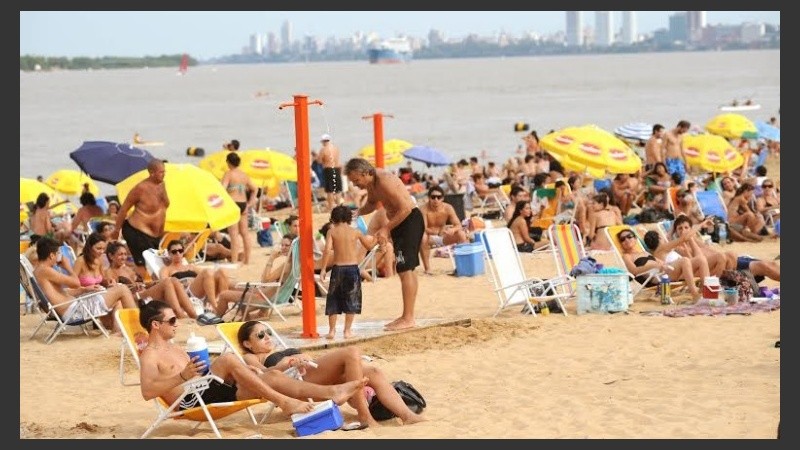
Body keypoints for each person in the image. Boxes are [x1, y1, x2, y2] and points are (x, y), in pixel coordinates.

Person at [138, 300, 368, 416]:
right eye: (171, 321)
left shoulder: (175, 348)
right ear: (155, 325)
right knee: (227, 358)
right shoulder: (150, 355)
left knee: (273, 376)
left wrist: (250, 372)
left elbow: (199, 373)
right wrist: (182, 375)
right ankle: (284, 402)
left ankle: (331, 393)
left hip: (206, 389)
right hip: (189, 401)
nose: (177, 324)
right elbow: (148, 392)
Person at [237, 320, 425, 427]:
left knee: (373, 371)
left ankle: (406, 415)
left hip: (311, 371)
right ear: (247, 344)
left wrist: (303, 357)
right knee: (351, 352)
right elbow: (263, 378)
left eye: (268, 332)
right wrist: (285, 364)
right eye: (260, 336)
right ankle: (364, 415)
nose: (267, 337)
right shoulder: (251, 358)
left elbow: (310, 358)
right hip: (296, 381)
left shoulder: (281, 349)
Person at [344, 158, 424, 331]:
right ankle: (407, 316)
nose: (356, 185)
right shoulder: (372, 184)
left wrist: (386, 229)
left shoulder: (385, 180)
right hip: (399, 222)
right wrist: (354, 213)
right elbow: (372, 204)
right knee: (406, 269)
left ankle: (408, 318)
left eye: (357, 180)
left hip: (409, 220)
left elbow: (406, 209)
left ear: (366, 173)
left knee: (405, 269)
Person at [33, 236, 137, 331]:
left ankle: (117, 330)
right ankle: (137, 325)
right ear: (52, 255)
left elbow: (59, 293)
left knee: (117, 292)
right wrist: (67, 266)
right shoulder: (46, 271)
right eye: (58, 254)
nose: (59, 257)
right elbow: (75, 283)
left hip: (74, 307)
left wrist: (85, 289)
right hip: (75, 312)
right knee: (122, 289)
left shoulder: (40, 271)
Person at [319, 205, 375, 339]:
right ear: (349, 218)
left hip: (338, 268)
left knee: (333, 299)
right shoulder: (355, 232)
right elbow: (369, 247)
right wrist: (378, 239)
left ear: (333, 218)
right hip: (352, 269)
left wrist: (323, 269)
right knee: (352, 299)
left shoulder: (331, 232)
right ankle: (347, 331)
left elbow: (327, 250)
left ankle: (332, 331)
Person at [104, 240, 199, 318]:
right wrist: (133, 286)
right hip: (134, 299)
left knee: (172, 280)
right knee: (167, 282)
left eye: (125, 254)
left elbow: (143, 283)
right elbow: (115, 291)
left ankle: (193, 314)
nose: (124, 257)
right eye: (120, 254)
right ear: (111, 256)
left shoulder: (128, 269)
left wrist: (152, 283)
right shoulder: (109, 272)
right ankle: (179, 314)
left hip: (143, 293)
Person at [113, 159, 169, 281]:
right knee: (145, 266)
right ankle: (144, 291)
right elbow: (123, 209)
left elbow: (162, 207)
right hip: (136, 231)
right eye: (161, 172)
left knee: (156, 266)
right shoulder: (140, 188)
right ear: (151, 173)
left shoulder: (162, 185)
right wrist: (116, 230)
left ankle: (140, 282)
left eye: (164, 172)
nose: (164, 174)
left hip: (155, 236)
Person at [615, 228, 701, 301]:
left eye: (629, 236)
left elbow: (661, 263)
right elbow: (634, 271)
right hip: (654, 278)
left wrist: (662, 265)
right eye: (623, 239)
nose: (626, 240)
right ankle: (695, 295)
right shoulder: (627, 256)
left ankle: (704, 289)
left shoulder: (645, 252)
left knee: (698, 260)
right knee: (684, 260)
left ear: (635, 239)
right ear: (622, 244)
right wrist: (653, 266)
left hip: (663, 273)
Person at [159, 239, 236, 319]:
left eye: (180, 251)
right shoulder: (166, 269)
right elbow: (165, 283)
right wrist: (182, 282)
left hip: (203, 290)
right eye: (174, 252)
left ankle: (222, 303)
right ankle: (215, 307)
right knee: (206, 272)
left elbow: (211, 275)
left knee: (221, 271)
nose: (178, 254)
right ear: (169, 254)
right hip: (186, 293)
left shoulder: (190, 266)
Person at [419, 185, 468, 274]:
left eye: (439, 197)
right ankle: (427, 269)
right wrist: (438, 232)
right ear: (429, 198)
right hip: (430, 237)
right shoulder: (423, 209)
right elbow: (424, 228)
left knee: (461, 234)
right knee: (422, 237)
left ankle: (462, 267)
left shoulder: (448, 208)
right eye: (433, 197)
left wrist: (452, 230)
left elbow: (458, 225)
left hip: (444, 235)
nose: (436, 200)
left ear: (442, 198)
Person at [221, 152, 257, 265]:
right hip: (243, 204)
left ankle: (234, 260)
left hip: (233, 204)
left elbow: (222, 189)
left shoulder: (228, 174)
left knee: (234, 234)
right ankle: (247, 260)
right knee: (245, 233)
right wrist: (250, 203)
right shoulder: (244, 175)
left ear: (228, 162)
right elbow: (255, 189)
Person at [317, 134, 343, 210]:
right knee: (338, 189)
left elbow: (319, 161)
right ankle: (339, 206)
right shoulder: (336, 148)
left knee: (330, 190)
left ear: (323, 141)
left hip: (328, 169)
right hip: (337, 168)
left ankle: (331, 207)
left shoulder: (323, 149)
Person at [663, 120, 690, 185]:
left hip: (679, 160)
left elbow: (682, 149)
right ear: (679, 127)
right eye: (683, 131)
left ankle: (680, 193)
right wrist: (663, 162)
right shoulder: (667, 134)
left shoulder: (681, 136)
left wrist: (686, 163)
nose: (683, 133)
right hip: (670, 160)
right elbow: (663, 149)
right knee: (672, 178)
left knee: (682, 177)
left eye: (685, 132)